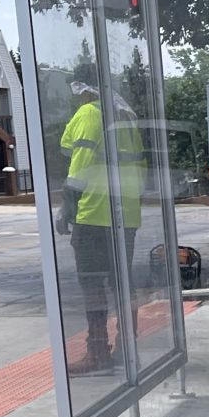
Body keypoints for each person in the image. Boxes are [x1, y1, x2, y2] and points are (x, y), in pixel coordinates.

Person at [60, 79, 147, 373]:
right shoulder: (126, 118)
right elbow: (141, 172)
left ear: (87, 90)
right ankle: (127, 346)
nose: (77, 98)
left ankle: (97, 351)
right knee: (123, 283)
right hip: (127, 216)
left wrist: (67, 206)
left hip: (94, 214)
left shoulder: (88, 114)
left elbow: (78, 163)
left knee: (92, 284)